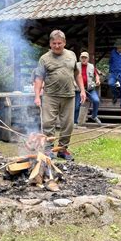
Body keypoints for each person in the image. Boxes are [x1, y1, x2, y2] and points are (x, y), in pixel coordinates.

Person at [34, 30, 86, 161]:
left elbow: (77, 74)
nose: (57, 46)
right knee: (48, 123)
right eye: (54, 43)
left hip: (69, 95)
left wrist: (83, 90)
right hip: (50, 96)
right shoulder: (44, 58)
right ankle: (48, 149)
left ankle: (62, 149)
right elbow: (39, 78)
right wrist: (36, 95)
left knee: (68, 125)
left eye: (59, 43)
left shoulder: (72, 55)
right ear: (50, 44)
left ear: (64, 42)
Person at [74, 52, 102, 126]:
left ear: (88, 59)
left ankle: (94, 116)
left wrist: (98, 80)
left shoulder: (91, 66)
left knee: (96, 100)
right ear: (80, 58)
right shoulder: (76, 65)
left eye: (85, 58)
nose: (83, 59)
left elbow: (96, 75)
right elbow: (70, 75)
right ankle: (75, 122)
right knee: (77, 106)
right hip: (78, 89)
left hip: (89, 88)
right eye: (82, 57)